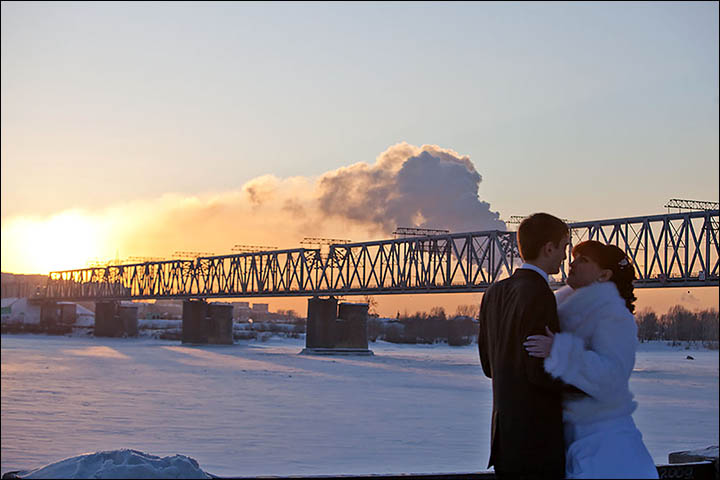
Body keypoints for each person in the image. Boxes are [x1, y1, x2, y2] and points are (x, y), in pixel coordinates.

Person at [524, 240, 658, 479]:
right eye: (574, 257)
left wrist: (559, 349)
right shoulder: (567, 308)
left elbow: (611, 378)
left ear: (604, 275)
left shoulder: (614, 317)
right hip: (575, 439)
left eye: (583, 260)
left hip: (606, 446)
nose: (571, 263)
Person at [478, 213, 580, 479]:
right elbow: (539, 372)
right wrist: (583, 381)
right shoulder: (539, 294)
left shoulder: (493, 293)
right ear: (549, 248)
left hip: (504, 440)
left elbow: (489, 366)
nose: (565, 256)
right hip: (537, 441)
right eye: (564, 247)